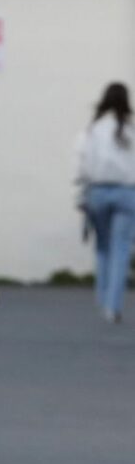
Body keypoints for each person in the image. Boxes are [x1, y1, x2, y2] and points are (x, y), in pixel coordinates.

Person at [76, 82, 135, 322]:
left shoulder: (94, 129)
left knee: (102, 247)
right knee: (120, 249)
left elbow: (84, 165)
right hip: (126, 193)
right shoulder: (130, 129)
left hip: (98, 193)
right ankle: (113, 306)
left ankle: (102, 299)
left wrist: (81, 195)